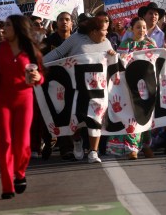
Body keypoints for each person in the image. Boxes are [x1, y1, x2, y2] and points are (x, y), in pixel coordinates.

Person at [0, 15, 44, 199]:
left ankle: (20, 173)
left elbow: (41, 75)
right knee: (4, 142)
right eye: (4, 25)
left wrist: (38, 78)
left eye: (8, 25)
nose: (4, 29)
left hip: (25, 100)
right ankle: (7, 186)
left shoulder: (30, 50)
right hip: (2, 101)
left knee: (22, 144)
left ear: (19, 28)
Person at [44, 16, 117, 163]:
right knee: (75, 119)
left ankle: (93, 152)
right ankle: (77, 140)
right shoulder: (76, 38)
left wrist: (113, 56)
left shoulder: (106, 42)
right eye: (103, 31)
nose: (106, 33)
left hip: (97, 89)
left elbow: (111, 64)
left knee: (96, 119)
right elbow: (58, 54)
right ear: (93, 31)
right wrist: (39, 63)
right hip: (76, 88)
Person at [108, 17, 157, 160]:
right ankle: (132, 148)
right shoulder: (126, 43)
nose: (141, 30)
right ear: (131, 29)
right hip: (130, 86)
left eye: (143, 27)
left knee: (146, 114)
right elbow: (120, 62)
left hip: (147, 85)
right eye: (138, 27)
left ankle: (146, 145)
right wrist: (117, 55)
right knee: (132, 115)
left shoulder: (150, 43)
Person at [40, 11, 73, 160]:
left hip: (71, 85)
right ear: (56, 23)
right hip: (51, 84)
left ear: (72, 24)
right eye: (61, 20)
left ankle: (67, 148)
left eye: (67, 20)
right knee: (51, 114)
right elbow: (39, 59)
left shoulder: (76, 40)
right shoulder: (49, 41)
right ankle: (49, 142)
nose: (64, 22)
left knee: (68, 115)